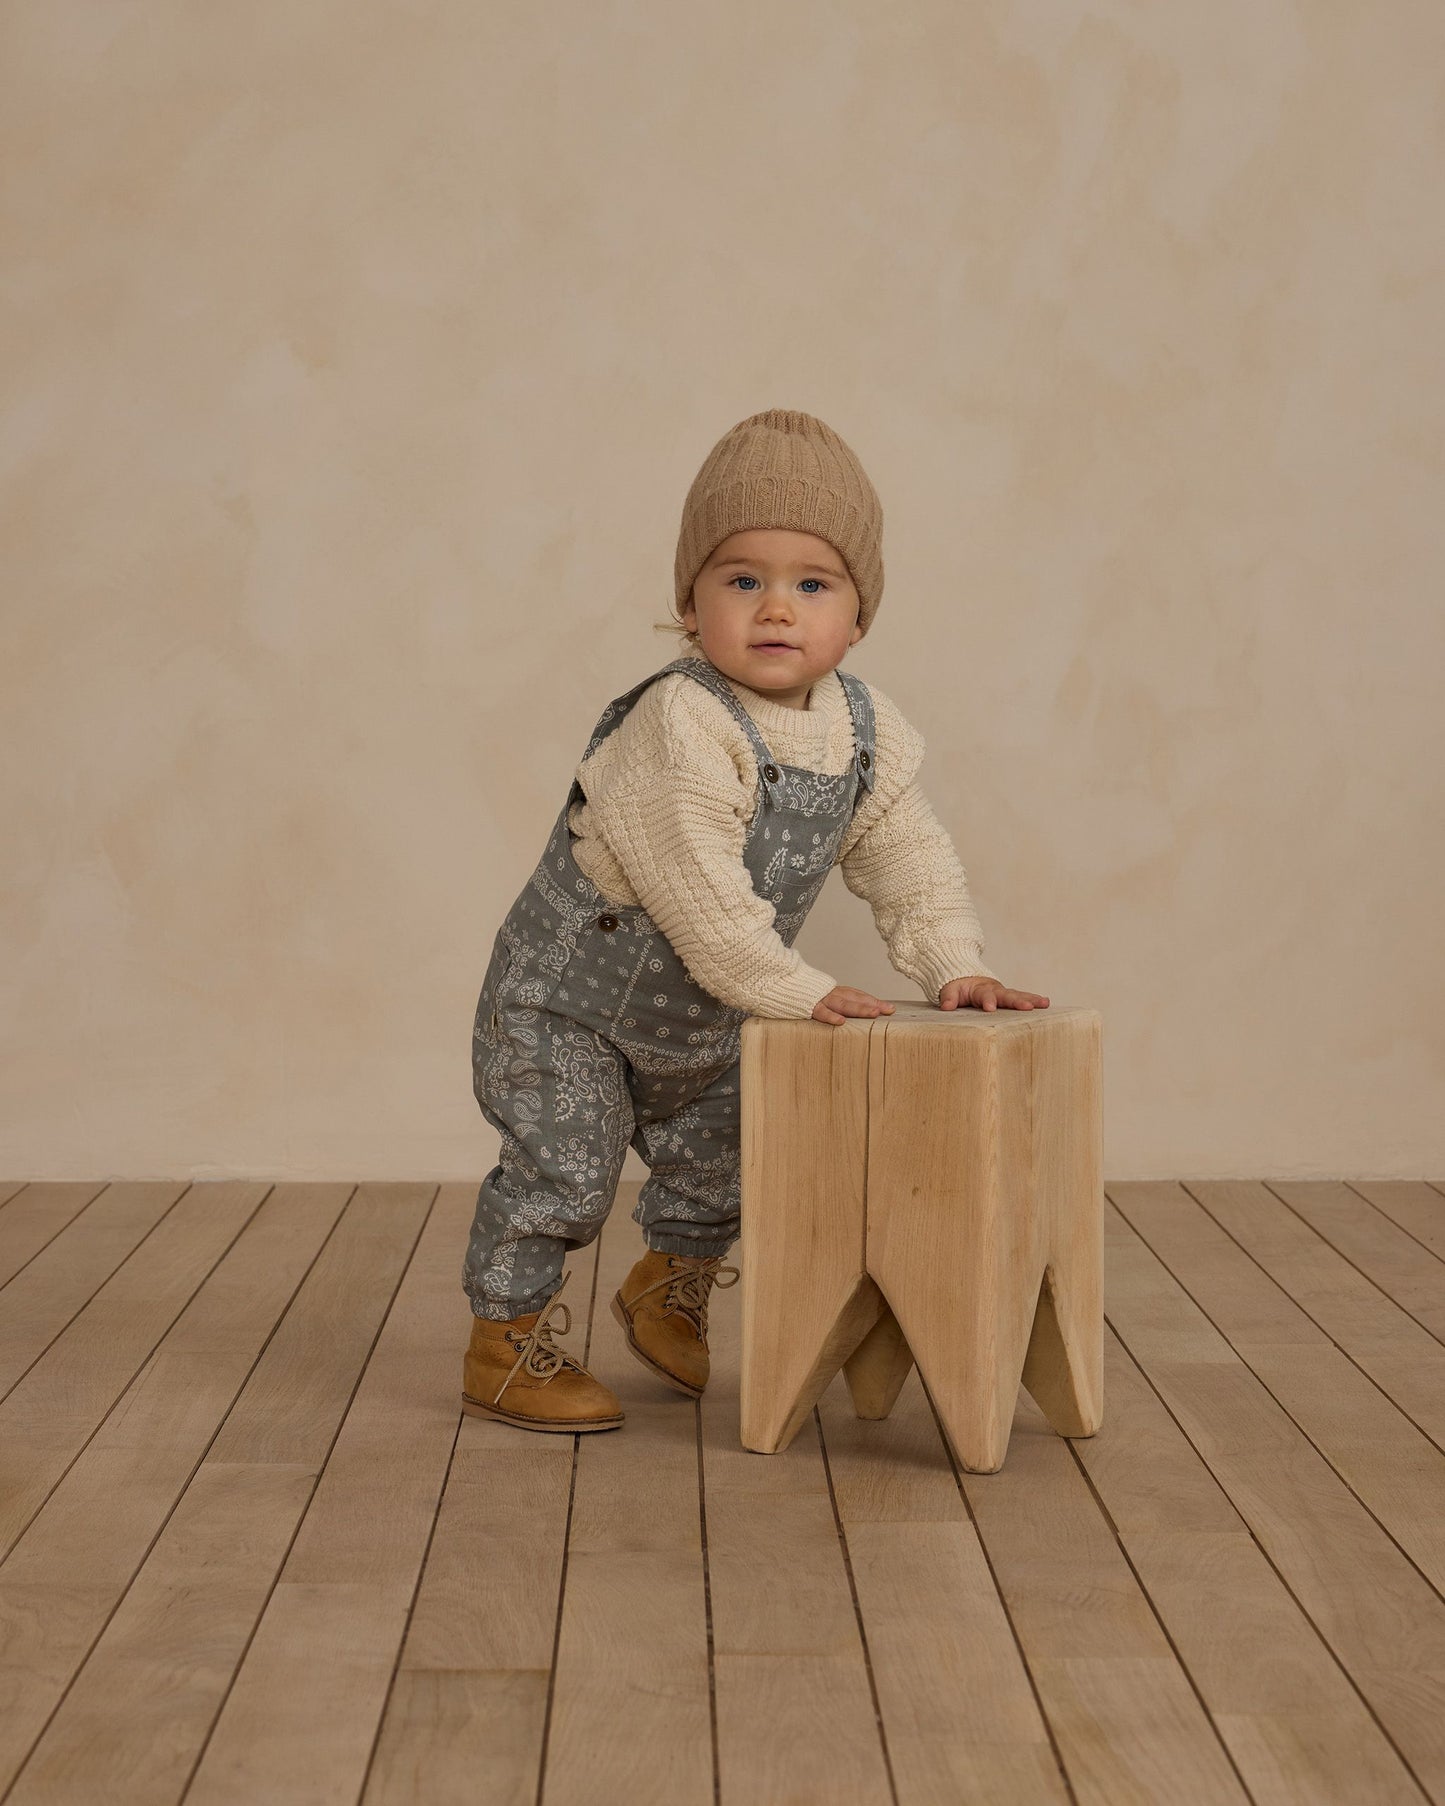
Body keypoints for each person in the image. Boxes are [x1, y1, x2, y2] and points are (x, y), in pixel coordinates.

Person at [461, 408, 1049, 1433]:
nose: (775, 608)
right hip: (568, 1008)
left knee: (737, 1146)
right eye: (741, 580)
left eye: (810, 584)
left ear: (857, 615)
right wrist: (805, 991)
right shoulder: (678, 723)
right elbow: (702, 900)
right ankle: (503, 1339)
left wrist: (952, 964)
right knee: (565, 1164)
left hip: (703, 1012)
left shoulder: (866, 730)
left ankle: (668, 1284)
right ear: (688, 604)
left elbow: (907, 857)